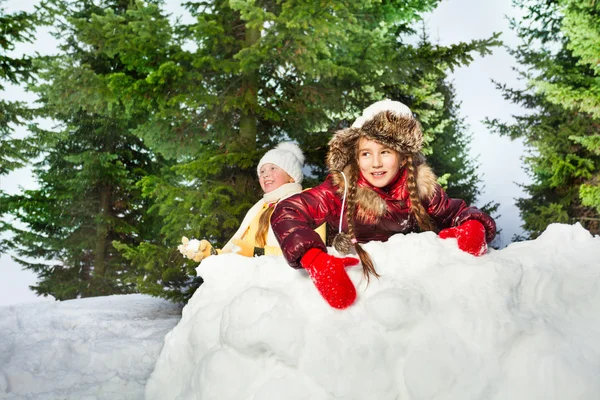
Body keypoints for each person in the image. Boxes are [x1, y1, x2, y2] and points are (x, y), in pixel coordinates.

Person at [271, 99, 497, 309]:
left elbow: (456, 211)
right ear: (356, 157)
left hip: (407, 291)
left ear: (402, 157)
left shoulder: (420, 188)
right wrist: (315, 259)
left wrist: (473, 226)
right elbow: (288, 212)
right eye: (366, 154)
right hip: (363, 285)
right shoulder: (340, 189)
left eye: (385, 152)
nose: (376, 163)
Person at [178, 142, 326, 262]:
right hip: (252, 278)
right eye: (262, 171)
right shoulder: (258, 209)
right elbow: (242, 248)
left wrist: (257, 252)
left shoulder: (306, 201)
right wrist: (212, 254)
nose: (266, 174)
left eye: (273, 168)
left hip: (284, 285)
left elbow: (312, 251)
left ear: (291, 177)